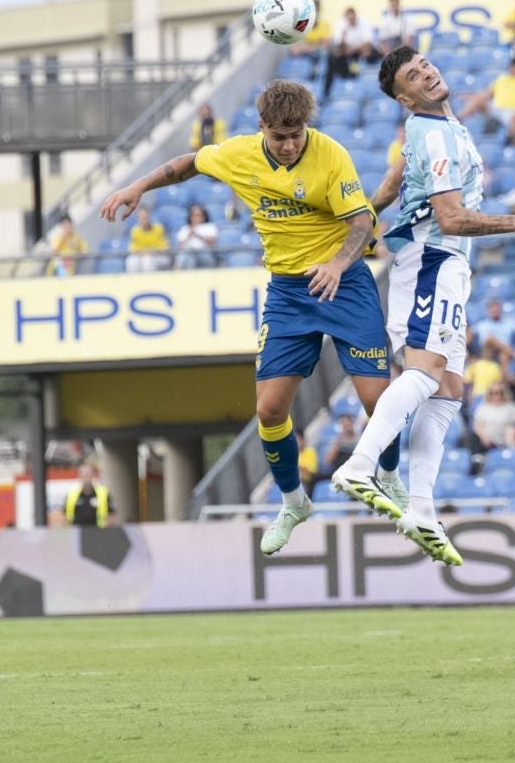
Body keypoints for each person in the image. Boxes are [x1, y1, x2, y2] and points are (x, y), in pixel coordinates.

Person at [100, 79, 398, 557]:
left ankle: (391, 480)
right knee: (268, 409)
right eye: (279, 136)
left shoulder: (330, 154)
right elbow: (188, 165)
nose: (288, 144)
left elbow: (361, 221)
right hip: (287, 292)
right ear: (261, 128)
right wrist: (138, 186)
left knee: (378, 402)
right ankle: (293, 502)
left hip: (345, 282)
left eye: (296, 134)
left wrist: (338, 263)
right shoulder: (239, 154)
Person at [327, 47, 515, 563]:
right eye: (413, 75)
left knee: (449, 389)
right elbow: (451, 217)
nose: (427, 72)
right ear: (405, 98)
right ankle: (359, 466)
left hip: (436, 262)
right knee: (427, 374)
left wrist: (360, 218)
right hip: (434, 257)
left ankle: (423, 509)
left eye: (425, 64)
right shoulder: (434, 131)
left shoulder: (433, 129)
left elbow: (392, 179)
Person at [64, 462, 115, 527]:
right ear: (79, 476)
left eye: (88, 473)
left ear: (93, 475)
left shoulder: (103, 493)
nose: (86, 476)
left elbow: (111, 514)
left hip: (98, 533)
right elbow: (64, 516)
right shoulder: (71, 495)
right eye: (84, 474)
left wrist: (107, 531)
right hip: (77, 533)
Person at [173, 204, 219, 269]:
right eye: (195, 215)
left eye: (200, 215)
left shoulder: (209, 227)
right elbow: (180, 247)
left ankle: (176, 270)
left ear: (204, 217)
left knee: (189, 251)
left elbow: (212, 243)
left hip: (205, 254)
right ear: (190, 217)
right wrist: (189, 236)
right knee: (190, 255)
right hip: (189, 255)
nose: (197, 218)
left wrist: (198, 235)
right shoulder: (185, 229)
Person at [125, 206, 170, 272]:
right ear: (138, 219)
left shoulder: (159, 228)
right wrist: (144, 253)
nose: (144, 220)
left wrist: (150, 252)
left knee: (147, 260)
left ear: (149, 217)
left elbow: (164, 248)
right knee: (131, 261)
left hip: (158, 256)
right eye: (142, 218)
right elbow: (133, 249)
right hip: (141, 256)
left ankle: (149, 282)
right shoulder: (135, 231)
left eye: (145, 217)